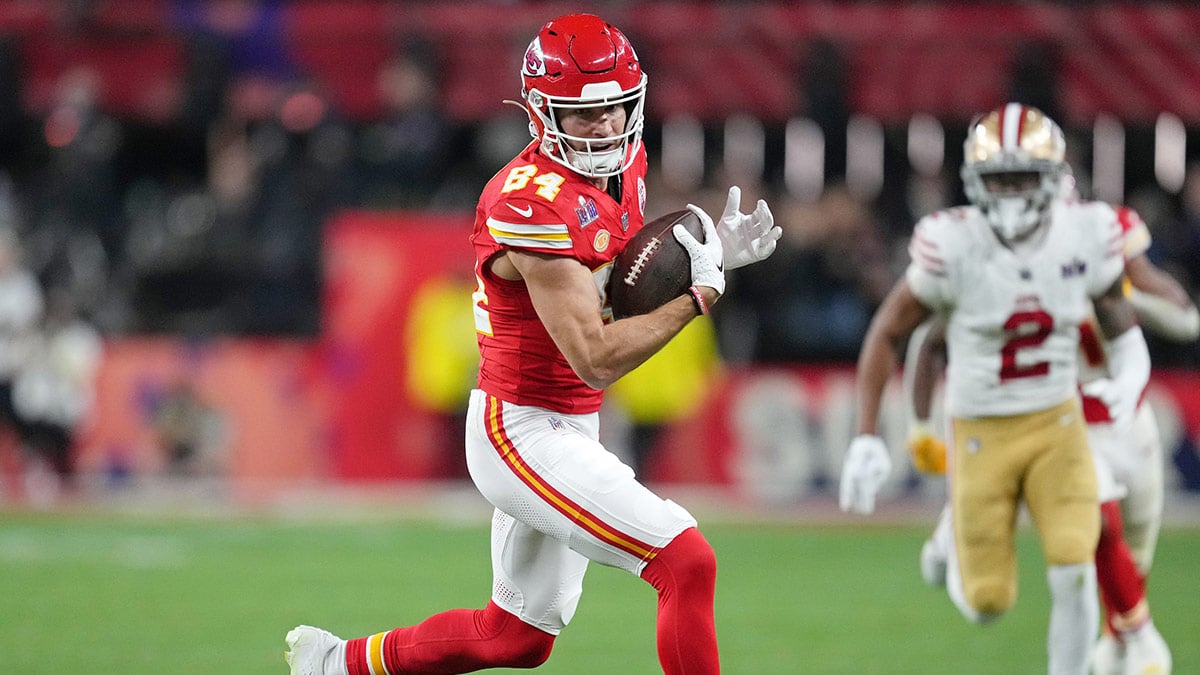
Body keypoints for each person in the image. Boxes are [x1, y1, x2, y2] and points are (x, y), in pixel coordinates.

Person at [284, 14, 780, 675]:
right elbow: (596, 355)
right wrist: (699, 297)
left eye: (615, 109)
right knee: (686, 561)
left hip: (570, 421)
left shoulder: (625, 164)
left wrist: (707, 251)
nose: (605, 127)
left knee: (513, 637)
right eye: (585, 115)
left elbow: (615, 280)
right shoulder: (527, 203)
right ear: (543, 113)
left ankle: (336, 664)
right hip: (521, 429)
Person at [837, 103, 1151, 675]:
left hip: (1057, 424)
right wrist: (867, 437)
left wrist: (1129, 382)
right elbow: (890, 332)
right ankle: (949, 534)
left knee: (1074, 561)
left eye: (1023, 178)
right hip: (982, 429)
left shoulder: (1086, 233)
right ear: (975, 183)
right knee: (986, 605)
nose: (1009, 193)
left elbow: (1120, 322)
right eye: (998, 179)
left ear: (1053, 180)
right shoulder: (952, 243)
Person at [906, 203, 1193, 675]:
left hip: (1126, 419)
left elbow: (1184, 320)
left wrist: (1111, 289)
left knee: (1129, 565)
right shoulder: (992, 257)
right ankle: (1139, 637)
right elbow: (938, 344)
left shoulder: (1102, 242)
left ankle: (1119, 643)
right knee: (1094, 530)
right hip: (1057, 421)